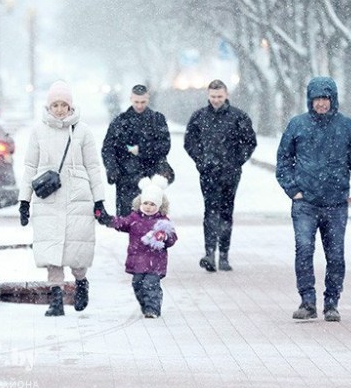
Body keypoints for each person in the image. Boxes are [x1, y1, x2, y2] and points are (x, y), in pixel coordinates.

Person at [276, 76, 351, 323]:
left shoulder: (347, 127)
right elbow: (283, 161)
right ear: (310, 100)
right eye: (317, 99)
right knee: (304, 250)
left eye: (326, 99)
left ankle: (332, 303)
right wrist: (294, 190)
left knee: (335, 255)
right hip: (305, 203)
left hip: (335, 203)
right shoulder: (297, 125)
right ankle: (307, 301)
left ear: (333, 100)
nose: (321, 103)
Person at [18, 80, 111, 317]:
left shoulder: (83, 131)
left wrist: (99, 200)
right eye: (55, 105)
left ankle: (81, 283)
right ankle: (56, 300)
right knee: (52, 253)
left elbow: (93, 167)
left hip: (78, 197)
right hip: (48, 198)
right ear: (49, 106)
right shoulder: (38, 131)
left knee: (76, 251)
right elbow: (29, 166)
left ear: (70, 106)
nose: (59, 109)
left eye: (63, 105)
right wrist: (24, 201)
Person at [183, 79, 257, 272]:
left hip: (230, 173)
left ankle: (224, 254)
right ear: (208, 96)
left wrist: (236, 161)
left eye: (219, 96)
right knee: (210, 211)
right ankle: (209, 253)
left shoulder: (238, 117)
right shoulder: (199, 117)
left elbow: (249, 142)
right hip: (208, 172)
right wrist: (200, 160)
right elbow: (189, 142)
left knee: (226, 212)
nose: (216, 100)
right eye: (213, 96)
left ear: (226, 96)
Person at [97, 174, 177, 318]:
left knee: (151, 285)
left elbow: (172, 238)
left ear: (159, 206)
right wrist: (106, 219)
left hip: (155, 262)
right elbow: (121, 223)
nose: (148, 207)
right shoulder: (134, 218)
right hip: (137, 261)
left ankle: (153, 308)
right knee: (138, 285)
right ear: (140, 203)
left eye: (152, 204)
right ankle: (146, 305)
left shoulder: (163, 222)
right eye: (146, 203)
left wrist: (164, 237)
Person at [101, 84, 172, 216]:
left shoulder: (157, 120)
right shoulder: (119, 121)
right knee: (128, 220)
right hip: (125, 178)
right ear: (131, 99)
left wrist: (140, 150)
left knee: (151, 220)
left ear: (148, 99)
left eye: (143, 102)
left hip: (151, 178)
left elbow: (165, 146)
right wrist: (111, 168)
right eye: (136, 102)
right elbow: (108, 148)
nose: (139, 105)